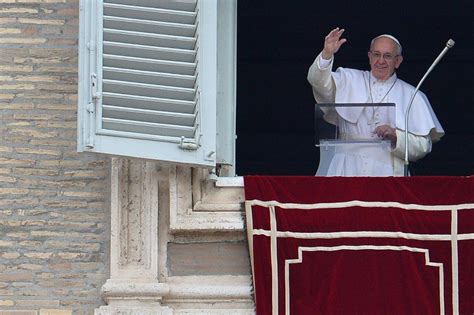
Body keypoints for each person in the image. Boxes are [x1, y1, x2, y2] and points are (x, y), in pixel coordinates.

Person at [307, 27, 445, 176]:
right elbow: (318, 82)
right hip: (345, 168)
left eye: (387, 56)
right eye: (376, 54)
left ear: (397, 61)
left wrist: (396, 136)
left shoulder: (412, 94)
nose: (380, 61)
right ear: (369, 56)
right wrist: (327, 54)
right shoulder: (349, 79)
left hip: (387, 170)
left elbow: (423, 145)